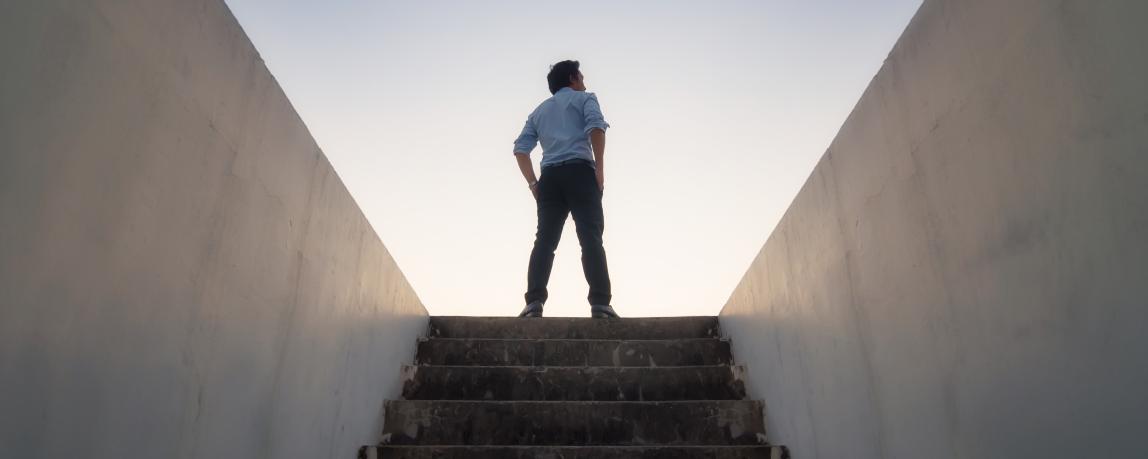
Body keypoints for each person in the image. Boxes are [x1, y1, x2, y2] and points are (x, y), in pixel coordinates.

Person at [512, 60, 619, 319]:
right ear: (573, 78)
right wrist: (600, 169)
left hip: (550, 178)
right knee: (591, 238)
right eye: (581, 75)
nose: (584, 80)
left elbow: (520, 149)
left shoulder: (539, 111)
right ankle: (600, 304)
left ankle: (534, 302)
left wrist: (533, 184)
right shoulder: (585, 99)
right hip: (580, 173)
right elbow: (595, 128)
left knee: (545, 242)